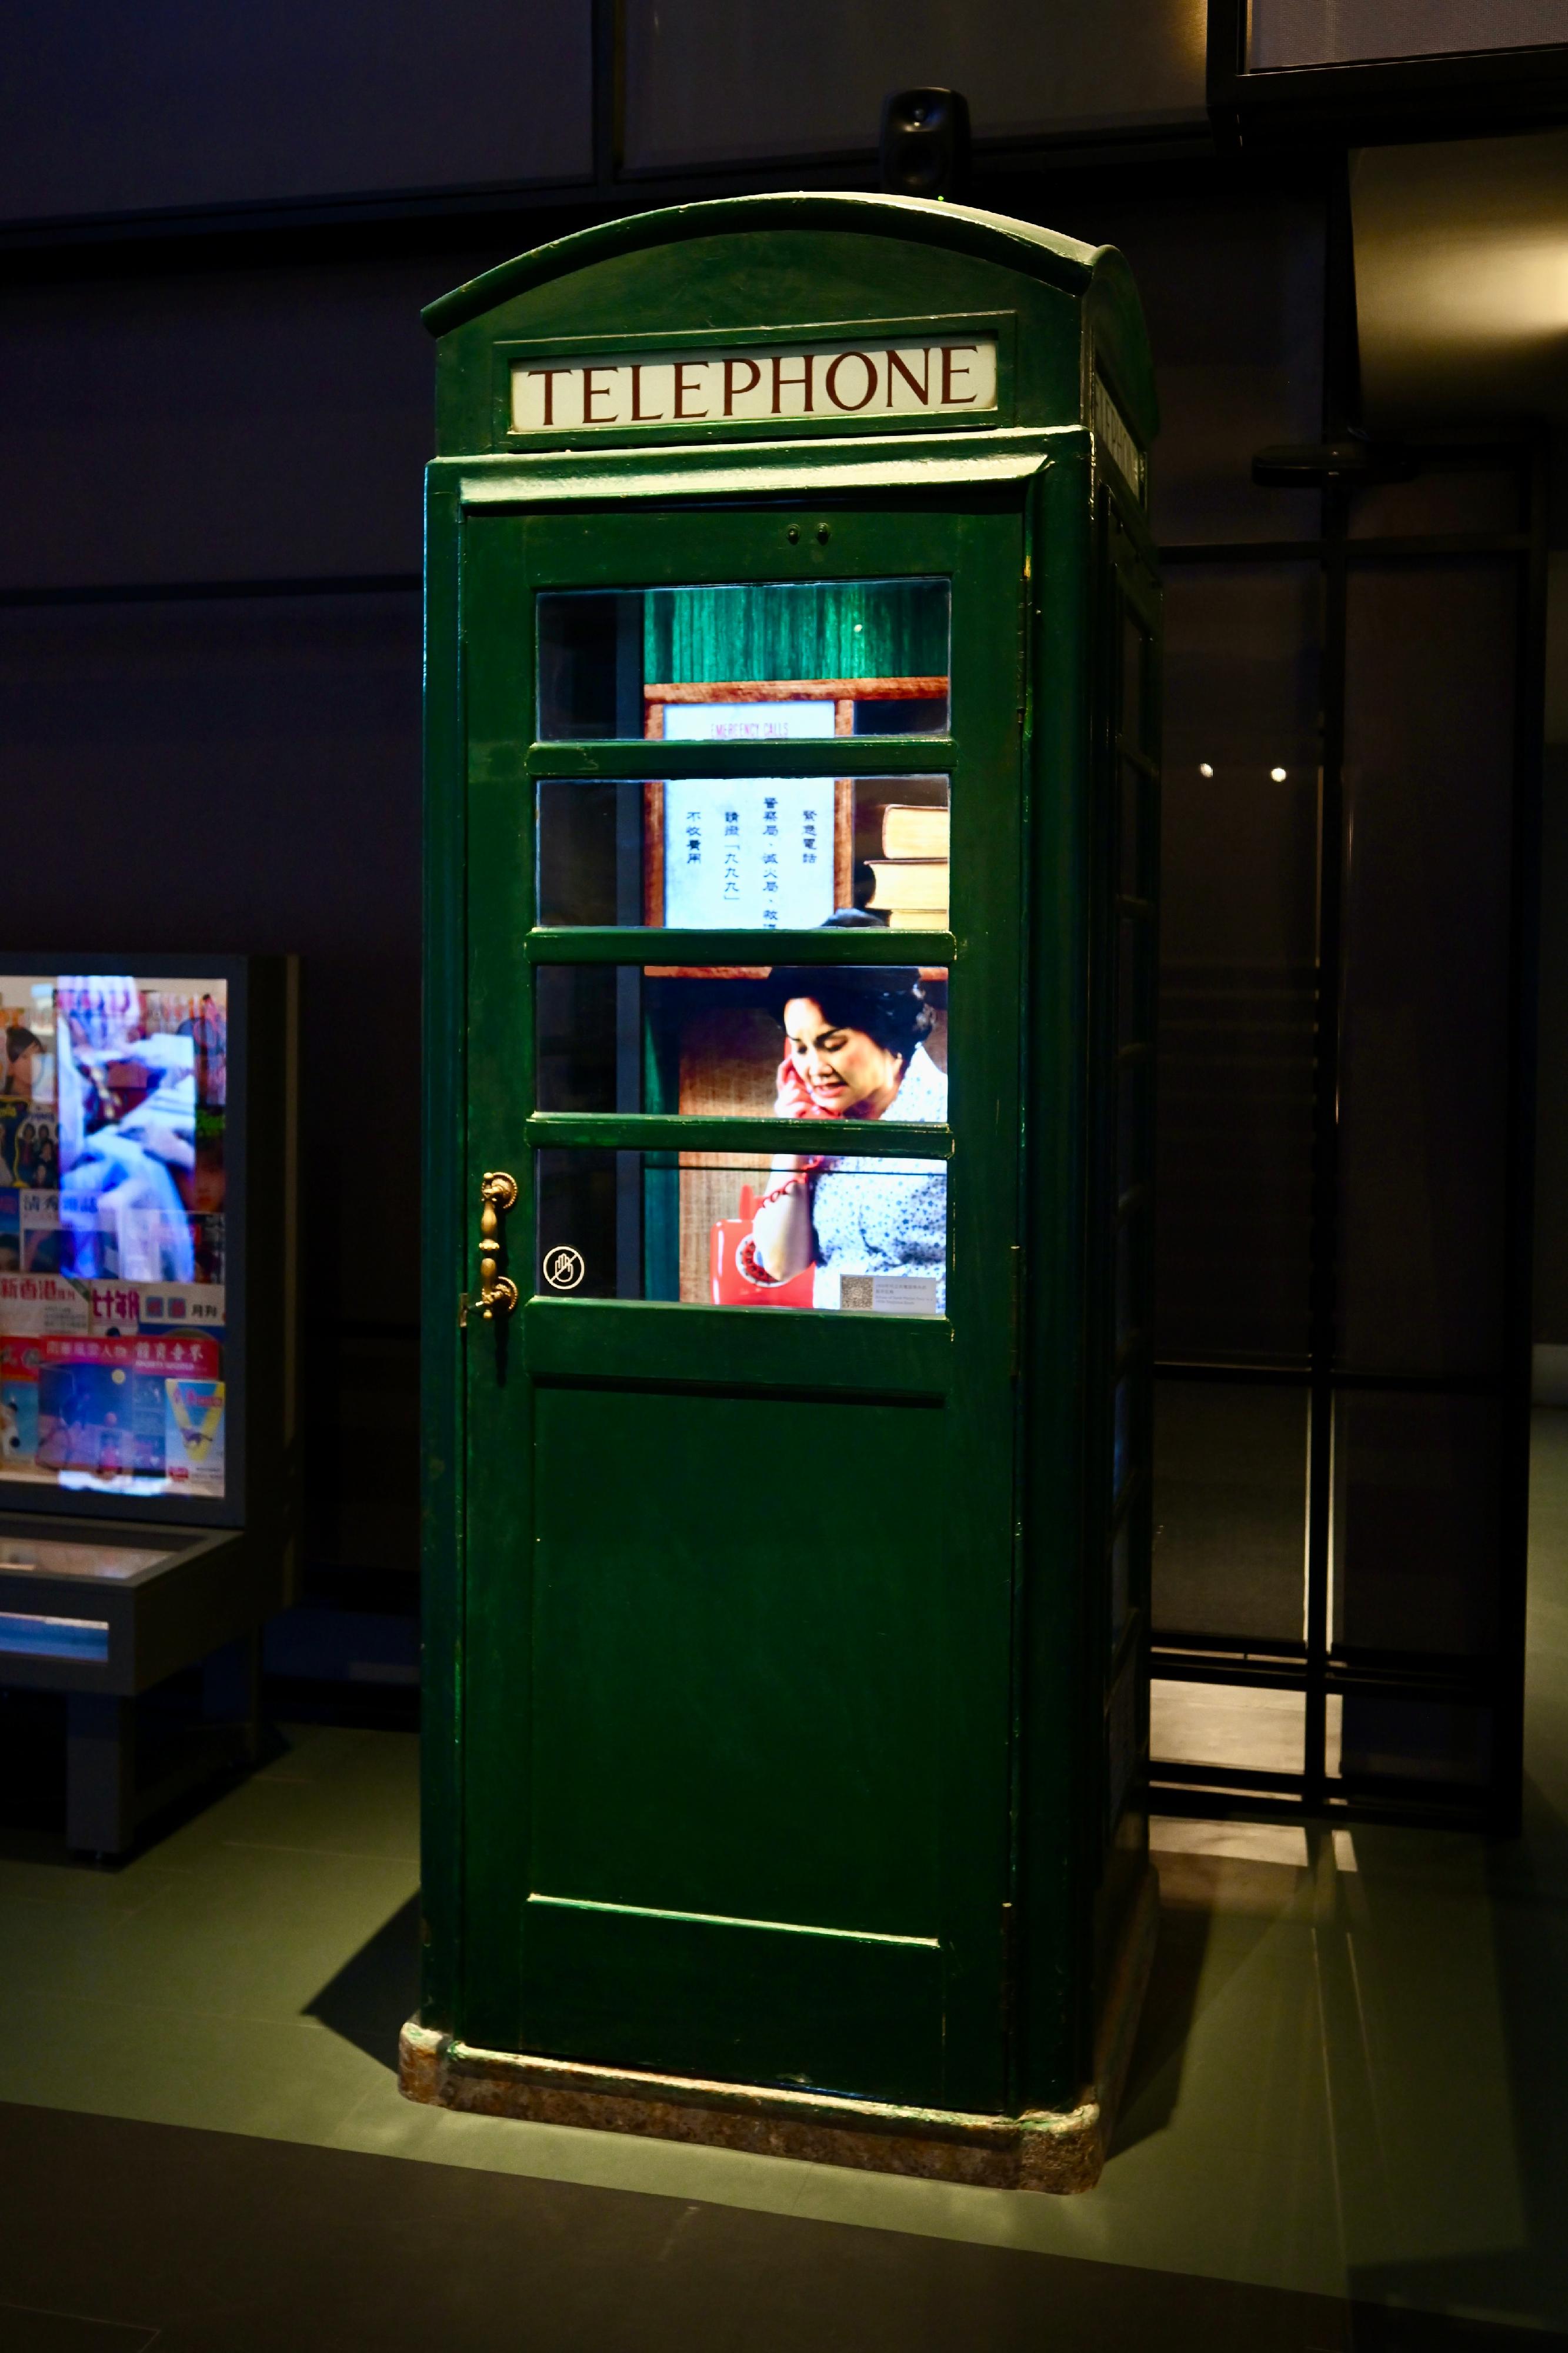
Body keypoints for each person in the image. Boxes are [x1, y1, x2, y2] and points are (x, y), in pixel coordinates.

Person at [743, 930, 947, 1311]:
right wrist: (791, 1142)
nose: (814, 1068)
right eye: (800, 1048)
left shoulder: (951, 1117)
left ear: (888, 1033)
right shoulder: (823, 1127)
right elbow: (780, 1264)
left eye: (833, 1045)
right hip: (839, 1339)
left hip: (929, 1340)